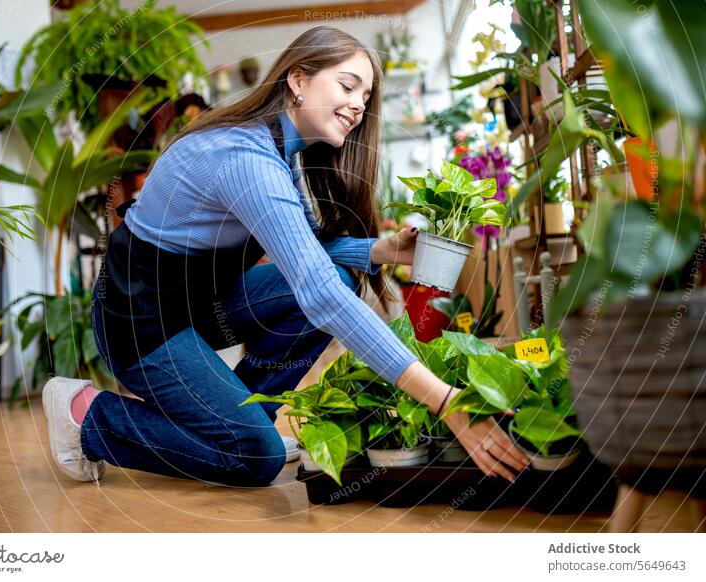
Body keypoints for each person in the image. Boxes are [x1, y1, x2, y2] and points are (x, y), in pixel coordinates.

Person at [42, 26, 529, 488]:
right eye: (348, 85)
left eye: (366, 96)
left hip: (200, 306)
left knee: (339, 275)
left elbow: (301, 249)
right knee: (254, 457)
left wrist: (379, 250)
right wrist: (444, 400)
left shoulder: (280, 149)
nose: (359, 105)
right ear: (298, 78)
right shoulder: (246, 158)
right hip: (142, 323)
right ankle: (88, 415)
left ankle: (240, 416)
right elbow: (318, 295)